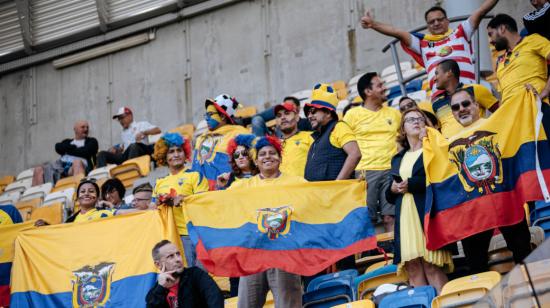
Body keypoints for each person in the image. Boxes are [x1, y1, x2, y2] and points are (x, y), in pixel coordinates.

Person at [449, 89, 532, 273]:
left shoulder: (497, 125)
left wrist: (525, 98)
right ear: (452, 114)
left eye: (465, 104)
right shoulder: (448, 142)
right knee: (476, 265)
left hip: (505, 199)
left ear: (477, 105)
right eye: (456, 107)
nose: (461, 109)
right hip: (475, 209)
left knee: (524, 254)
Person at [360, 1, 498, 94]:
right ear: (428, 26)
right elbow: (396, 31)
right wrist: (373, 24)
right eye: (432, 22)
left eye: (440, 19)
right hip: (441, 98)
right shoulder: (422, 43)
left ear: (447, 21)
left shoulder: (461, 33)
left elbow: (481, 11)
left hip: (468, 91)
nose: (436, 23)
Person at [230, 136, 303, 308]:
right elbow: (218, 202)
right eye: (262, 154)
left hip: (285, 254)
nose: (267, 157)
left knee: (289, 305)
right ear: (255, 160)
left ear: (280, 158)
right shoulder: (242, 186)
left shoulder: (297, 183)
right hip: (252, 253)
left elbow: (318, 197)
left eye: (272, 153)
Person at [386, 108, 452, 294]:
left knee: (432, 266)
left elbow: (441, 179)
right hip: (405, 217)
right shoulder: (398, 158)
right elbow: (389, 193)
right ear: (403, 129)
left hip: (426, 214)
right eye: (410, 120)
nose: (416, 122)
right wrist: (392, 189)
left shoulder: (432, 149)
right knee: (413, 269)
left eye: (420, 119)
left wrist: (412, 185)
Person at [344, 73, 401, 232]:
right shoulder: (352, 115)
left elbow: (402, 140)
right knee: (365, 219)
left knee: (391, 217)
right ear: (368, 91)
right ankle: (365, 255)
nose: (385, 88)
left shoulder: (394, 114)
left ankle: (394, 254)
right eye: (380, 85)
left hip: (391, 171)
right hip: (365, 172)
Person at [152, 132, 209, 267]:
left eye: (179, 151)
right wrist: (159, 203)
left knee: (197, 275)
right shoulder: (160, 182)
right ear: (164, 157)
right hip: (170, 237)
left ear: (186, 154)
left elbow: (204, 202)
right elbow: (152, 208)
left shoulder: (195, 175)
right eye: (171, 152)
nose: (176, 155)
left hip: (194, 234)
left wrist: (183, 199)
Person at [304, 83, 361, 182]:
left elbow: (355, 154)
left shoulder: (338, 127)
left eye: (313, 111)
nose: (309, 116)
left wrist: (337, 184)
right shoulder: (317, 139)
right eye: (308, 113)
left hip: (335, 194)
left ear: (328, 113)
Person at [487, 14, 550, 103]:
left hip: (535, 108)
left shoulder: (533, 40)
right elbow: (503, 97)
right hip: (512, 113)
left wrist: (546, 91)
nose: (490, 40)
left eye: (491, 34)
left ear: (502, 28)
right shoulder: (500, 62)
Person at [192, 94, 249, 190]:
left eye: (210, 114)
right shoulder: (201, 138)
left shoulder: (239, 133)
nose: (206, 118)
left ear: (222, 116)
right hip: (201, 194)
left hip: (229, 191)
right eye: (206, 115)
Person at [146, 240, 223, 308]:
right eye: (171, 256)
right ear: (158, 265)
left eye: (178, 254)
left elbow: (215, 296)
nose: (178, 259)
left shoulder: (195, 275)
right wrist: (161, 289)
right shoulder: (155, 293)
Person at [433, 59, 499, 138]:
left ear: (449, 73)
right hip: (451, 148)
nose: (434, 79)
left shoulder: (475, 89)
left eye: (436, 73)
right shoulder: (436, 104)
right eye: (455, 107)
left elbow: (500, 112)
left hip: (478, 145)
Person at [32, 120, 98, 186]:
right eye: (83, 127)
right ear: (75, 129)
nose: (86, 129)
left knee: (77, 162)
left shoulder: (92, 141)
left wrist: (68, 150)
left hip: (76, 167)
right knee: (38, 169)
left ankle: (77, 191)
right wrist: (74, 148)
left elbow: (86, 152)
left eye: (87, 127)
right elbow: (58, 147)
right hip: (61, 166)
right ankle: (41, 194)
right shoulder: (67, 141)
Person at [96, 107, 161, 167]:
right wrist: (116, 149)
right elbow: (123, 147)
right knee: (101, 154)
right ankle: (102, 177)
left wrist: (143, 132)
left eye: (122, 118)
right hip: (126, 155)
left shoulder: (141, 125)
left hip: (141, 153)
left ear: (130, 116)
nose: (120, 121)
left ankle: (130, 171)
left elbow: (158, 130)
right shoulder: (123, 132)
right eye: (119, 119)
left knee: (133, 146)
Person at [275, 101, 313, 177]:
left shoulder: (310, 136)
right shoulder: (273, 145)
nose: (282, 117)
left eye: (287, 113)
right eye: (279, 116)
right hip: (280, 187)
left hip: (305, 186)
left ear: (296, 117)